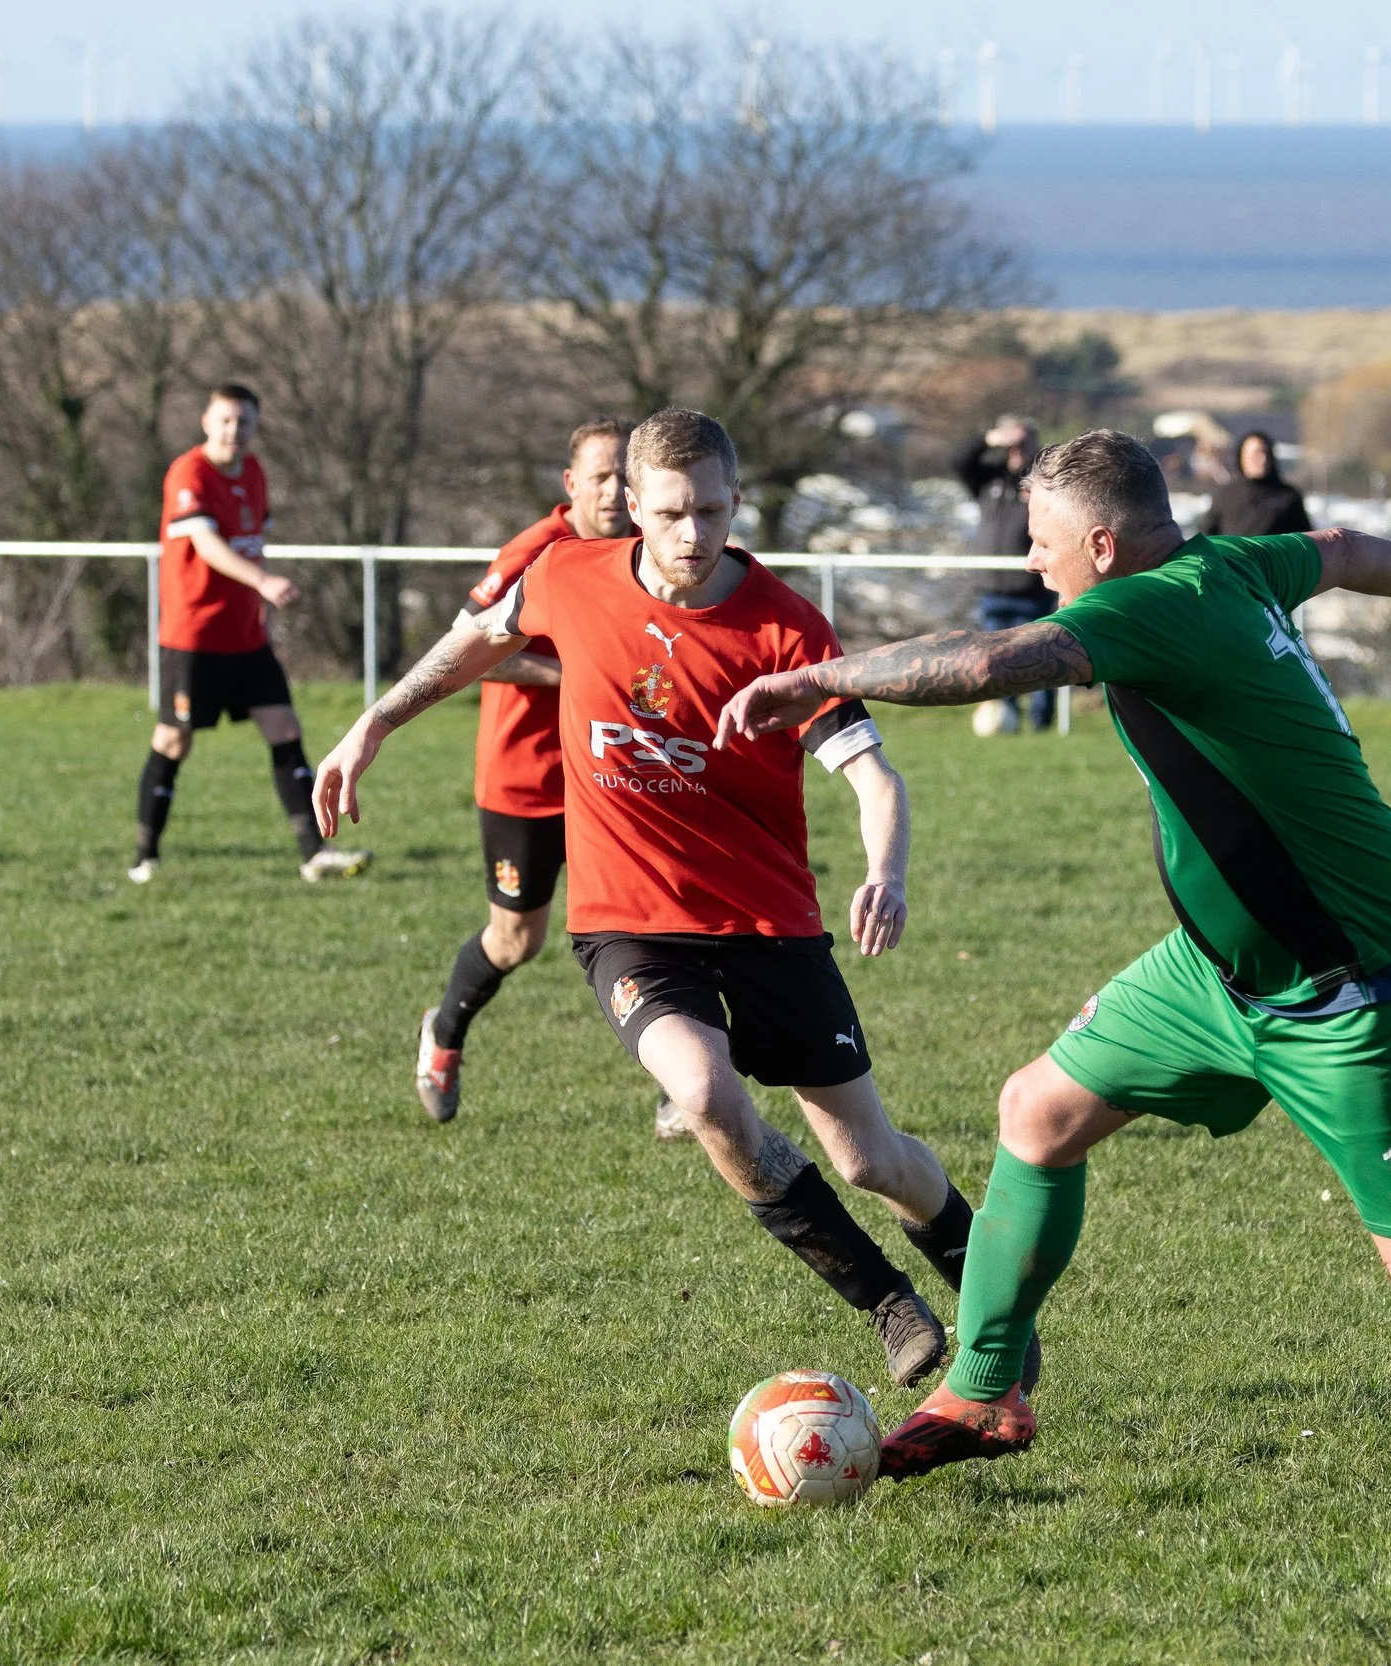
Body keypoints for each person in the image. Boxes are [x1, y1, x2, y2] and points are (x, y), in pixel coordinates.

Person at [714, 428, 1391, 1510]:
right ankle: (986, 1389)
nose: (1033, 566)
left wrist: (812, 676)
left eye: (1043, 547)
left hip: (1352, 991)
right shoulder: (1230, 559)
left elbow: (992, 661)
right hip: (1216, 972)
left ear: (1099, 543)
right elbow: (1339, 548)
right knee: (1037, 1110)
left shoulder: (1152, 605)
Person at [315, 408, 1032, 1391]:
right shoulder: (569, 579)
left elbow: (872, 775)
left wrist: (887, 872)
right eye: (669, 512)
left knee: (868, 1157)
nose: (691, 533)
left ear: (735, 501)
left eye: (709, 509)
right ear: (631, 509)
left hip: (769, 922)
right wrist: (374, 724)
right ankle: (887, 1303)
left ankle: (977, 1274)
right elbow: (476, 637)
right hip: (629, 925)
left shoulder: (782, 626)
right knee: (701, 1092)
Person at [412, 416, 632, 1124]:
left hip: (612, 777)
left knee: (654, 925)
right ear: (571, 484)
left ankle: (682, 1093)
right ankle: (444, 1031)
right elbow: (470, 647)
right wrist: (577, 676)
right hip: (525, 780)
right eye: (601, 475)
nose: (616, 490)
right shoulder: (538, 551)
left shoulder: (645, 551)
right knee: (516, 941)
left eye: (628, 475)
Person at [128, 382, 368, 885]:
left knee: (284, 729)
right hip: (193, 636)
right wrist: (262, 582)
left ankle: (313, 854)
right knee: (174, 741)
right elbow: (207, 543)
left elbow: (253, 543)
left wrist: (263, 606)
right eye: (226, 420)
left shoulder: (255, 472)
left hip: (247, 637)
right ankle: (144, 857)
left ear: (257, 426)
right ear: (206, 421)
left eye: (245, 422)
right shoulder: (188, 472)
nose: (235, 430)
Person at [954, 417, 1054, 734]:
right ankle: (1005, 720)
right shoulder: (989, 480)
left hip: (1032, 590)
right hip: (993, 589)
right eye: (1011, 444)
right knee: (996, 661)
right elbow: (958, 462)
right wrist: (988, 438)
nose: (1016, 450)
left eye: (1022, 443)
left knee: (1039, 659)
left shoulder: (1044, 483)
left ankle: (1041, 723)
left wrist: (1032, 458)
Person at [1196, 430, 1312, 538]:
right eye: (1256, 454)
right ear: (1242, 457)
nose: (1262, 459)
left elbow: (1304, 541)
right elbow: (1206, 535)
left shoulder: (1288, 496)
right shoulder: (1225, 495)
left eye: (1265, 453)